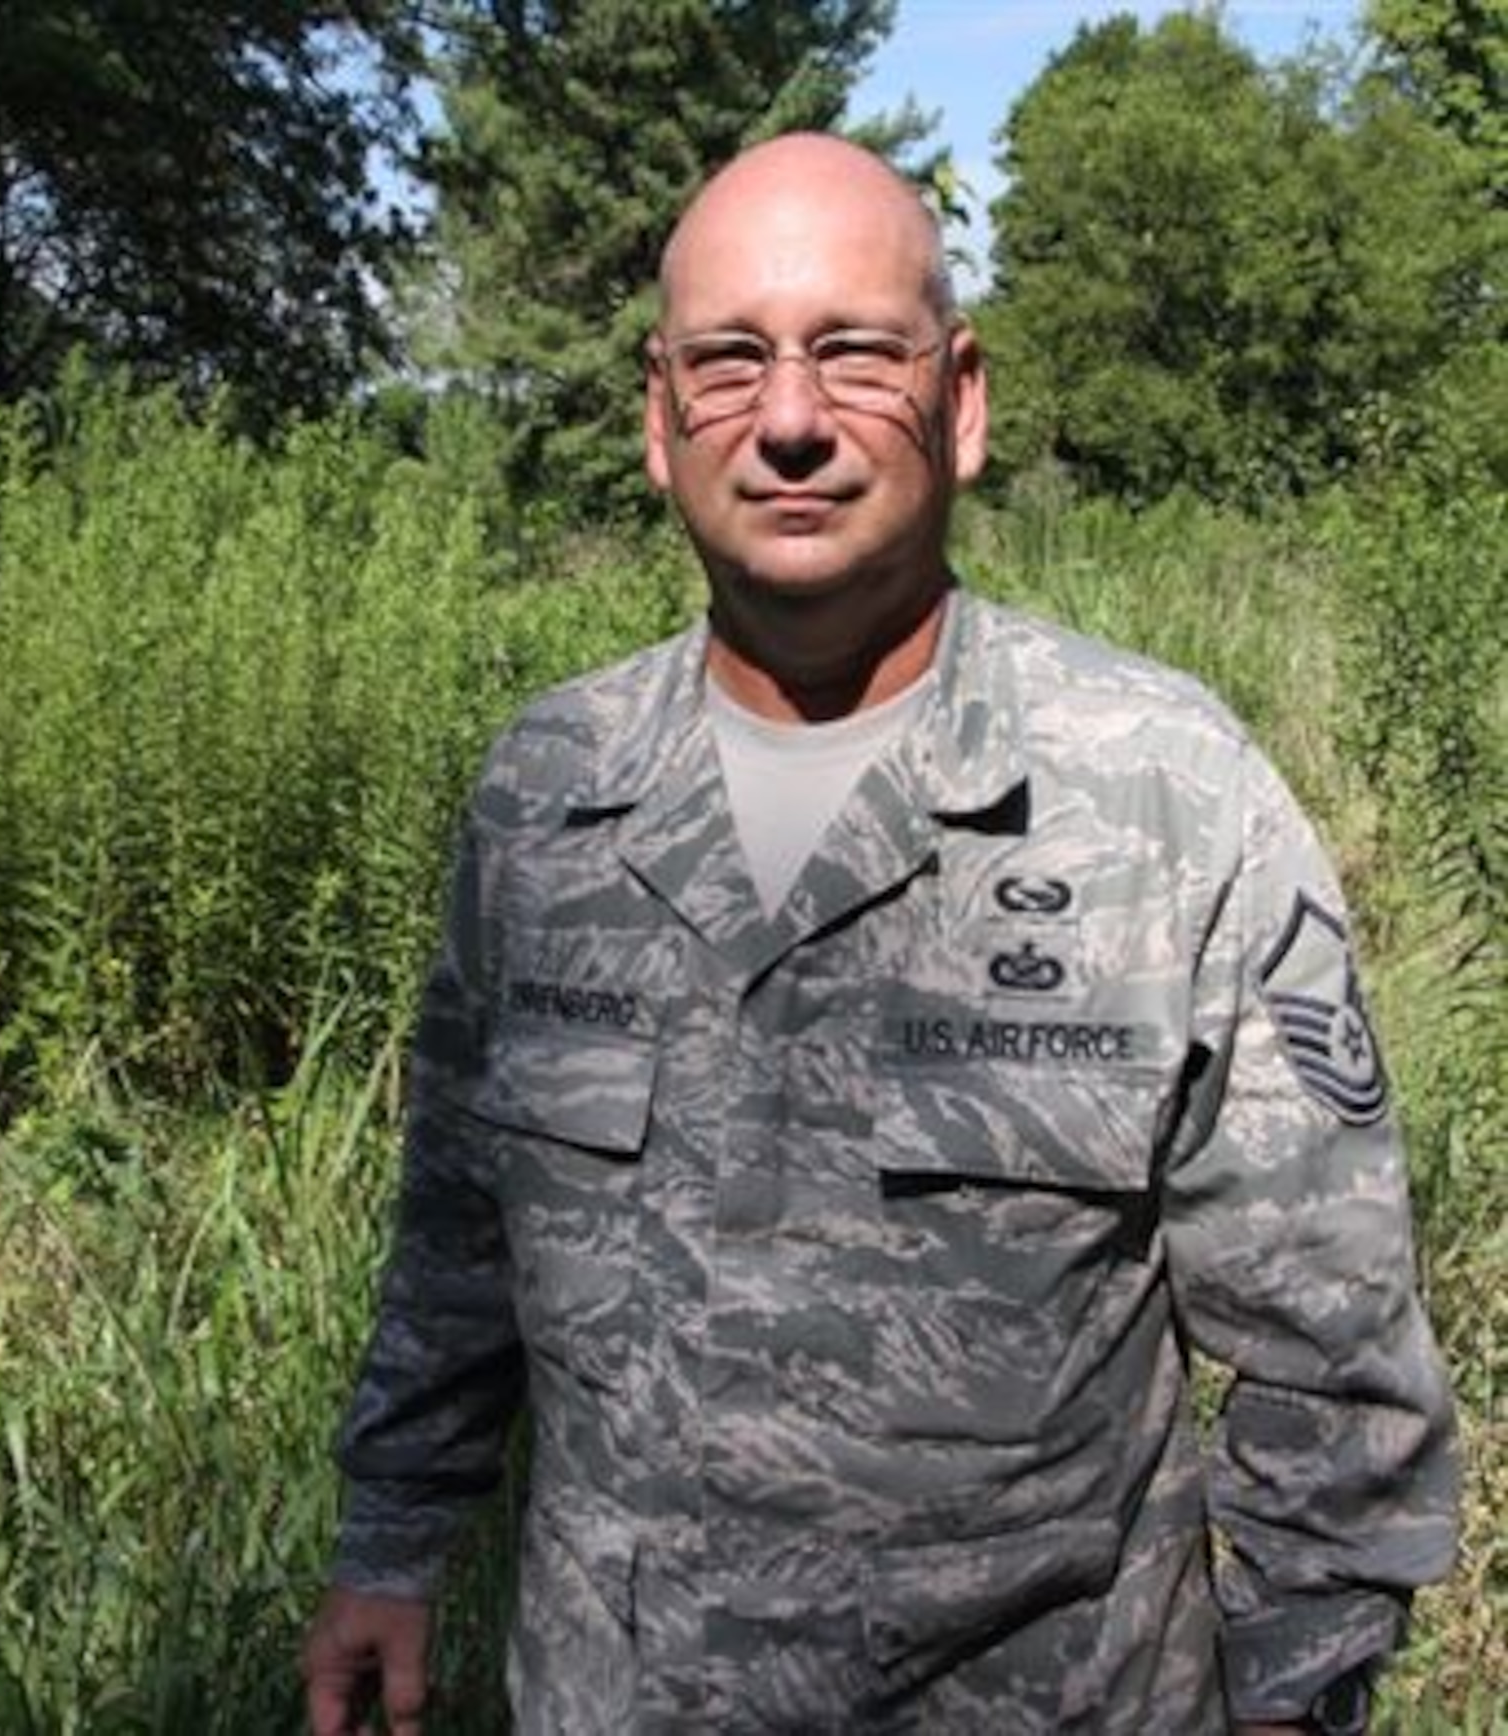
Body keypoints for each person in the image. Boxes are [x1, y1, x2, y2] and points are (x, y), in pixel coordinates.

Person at [301, 133, 1460, 1735]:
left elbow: (1330, 1350)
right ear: (658, 418)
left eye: (854, 351)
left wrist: (1294, 1694)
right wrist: (394, 1544)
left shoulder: (1164, 791)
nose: (787, 422)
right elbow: (456, 1239)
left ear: (961, 401)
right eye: (729, 362)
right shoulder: (549, 792)